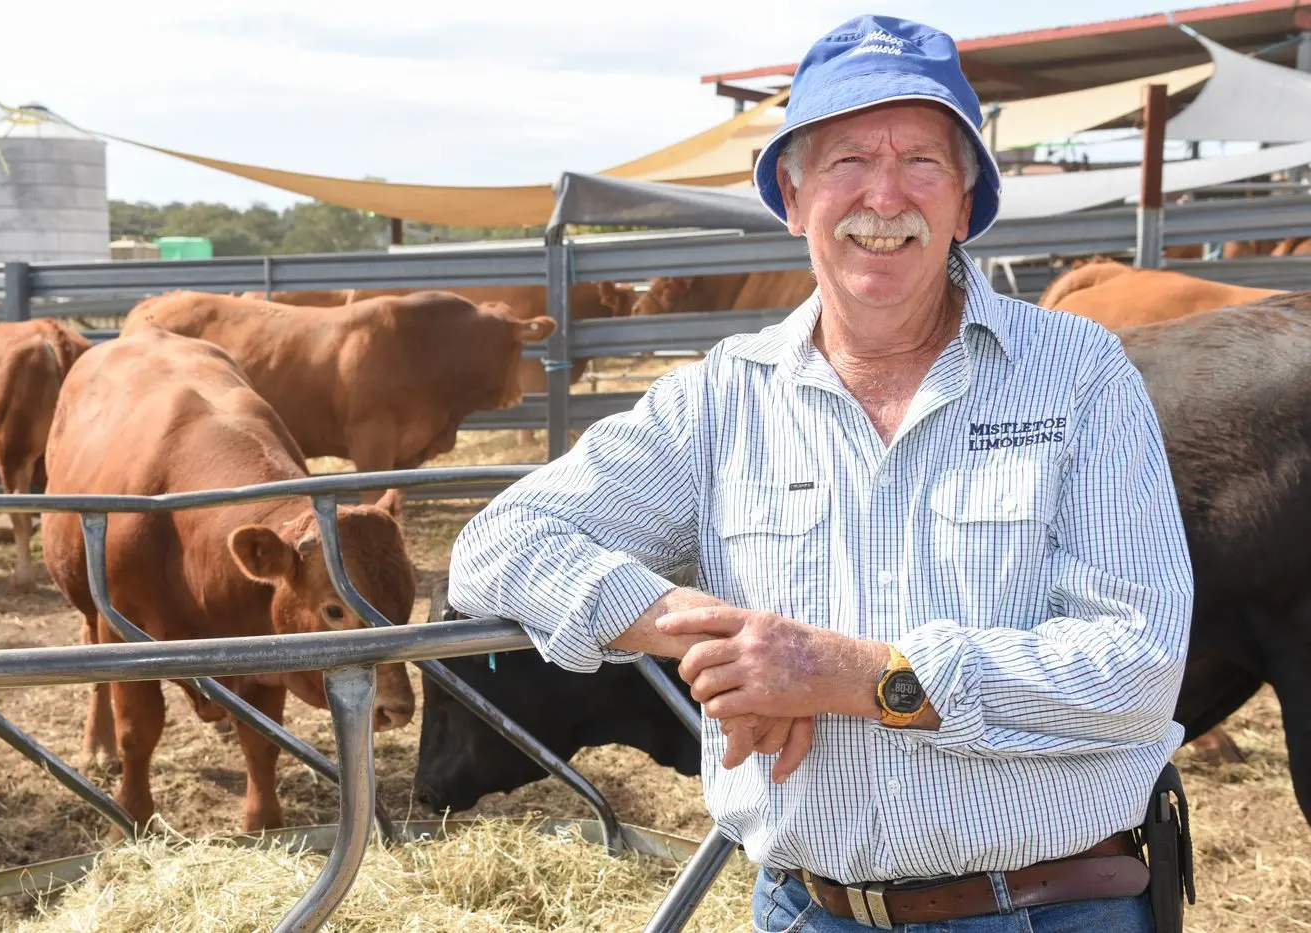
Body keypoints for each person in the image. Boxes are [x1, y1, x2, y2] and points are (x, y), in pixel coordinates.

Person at [447, 13, 1193, 932]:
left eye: (922, 160)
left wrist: (848, 674)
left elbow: (1139, 666)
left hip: (1047, 908)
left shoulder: (1078, 375)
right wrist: (713, 639)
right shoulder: (723, 399)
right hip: (811, 910)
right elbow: (494, 544)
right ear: (792, 198)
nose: (884, 196)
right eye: (845, 160)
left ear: (965, 202)